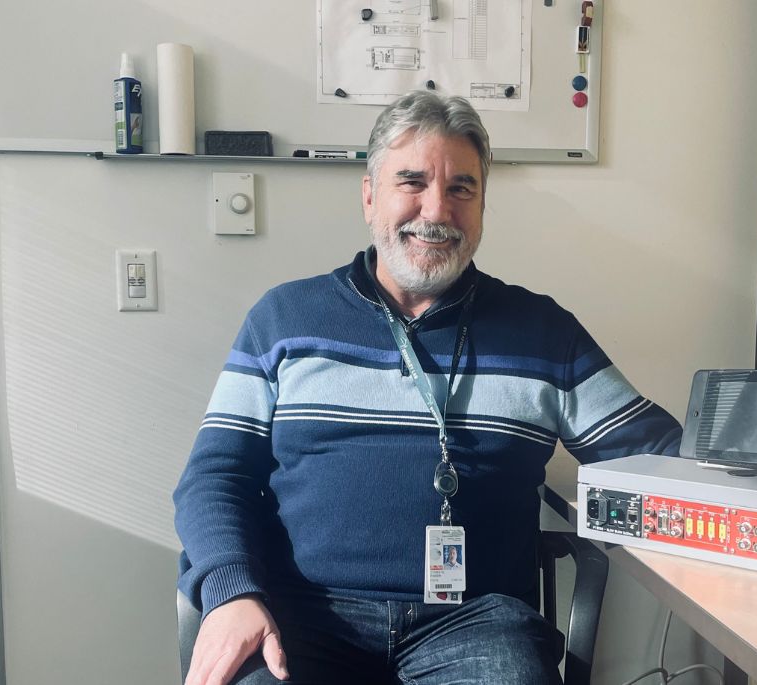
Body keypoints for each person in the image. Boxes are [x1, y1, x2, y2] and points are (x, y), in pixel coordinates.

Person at [174, 90, 682, 685]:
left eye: (461, 188)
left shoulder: (543, 334)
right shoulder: (284, 320)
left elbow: (658, 458)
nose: (436, 210)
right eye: (411, 182)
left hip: (477, 623)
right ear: (369, 197)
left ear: (483, 205)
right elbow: (213, 477)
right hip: (304, 612)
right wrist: (233, 591)